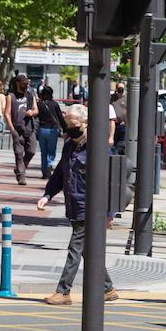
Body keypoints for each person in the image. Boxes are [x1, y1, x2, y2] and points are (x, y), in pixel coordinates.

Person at [36, 105, 118, 305]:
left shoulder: (98, 148)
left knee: (74, 249)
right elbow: (59, 174)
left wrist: (110, 213)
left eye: (74, 127)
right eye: (68, 127)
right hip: (74, 205)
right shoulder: (69, 146)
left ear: (86, 124)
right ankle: (108, 289)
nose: (70, 131)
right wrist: (47, 195)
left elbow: (110, 182)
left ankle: (63, 291)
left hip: (90, 209)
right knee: (88, 252)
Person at [7, 74, 38, 185]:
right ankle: (21, 176)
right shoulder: (11, 96)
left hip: (30, 128)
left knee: (31, 151)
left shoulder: (30, 94)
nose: (26, 85)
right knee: (19, 154)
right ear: (18, 83)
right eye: (24, 83)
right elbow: (6, 114)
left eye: (27, 83)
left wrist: (32, 112)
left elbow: (36, 110)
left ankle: (20, 169)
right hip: (17, 129)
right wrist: (12, 130)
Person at [35, 86, 64, 179]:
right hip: (53, 129)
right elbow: (60, 118)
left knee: (43, 152)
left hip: (42, 129)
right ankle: (50, 164)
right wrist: (66, 129)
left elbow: (36, 117)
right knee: (52, 150)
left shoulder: (39, 104)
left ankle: (44, 172)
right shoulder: (55, 104)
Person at [110, 84, 127, 150]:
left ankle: (120, 157)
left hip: (122, 125)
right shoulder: (112, 97)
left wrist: (125, 120)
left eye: (121, 88)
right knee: (113, 142)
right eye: (118, 88)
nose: (120, 89)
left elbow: (131, 110)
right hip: (112, 124)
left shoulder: (128, 97)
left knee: (121, 144)